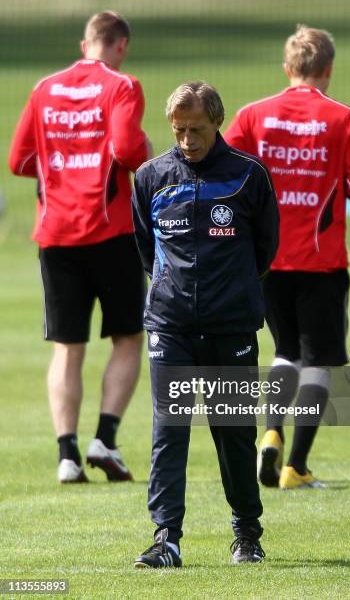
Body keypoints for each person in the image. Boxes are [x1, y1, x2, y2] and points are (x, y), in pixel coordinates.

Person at [131, 81, 279, 567]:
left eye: (197, 129)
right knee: (168, 431)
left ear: (217, 121)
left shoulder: (248, 176)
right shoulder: (151, 176)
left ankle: (247, 534)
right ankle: (166, 538)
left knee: (233, 431)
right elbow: (147, 250)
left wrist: (228, 291)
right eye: (179, 130)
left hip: (230, 328)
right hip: (169, 327)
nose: (188, 140)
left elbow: (265, 249)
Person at [224, 25, 350, 489]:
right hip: (322, 262)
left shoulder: (254, 115)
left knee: (284, 352)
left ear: (287, 68)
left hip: (267, 262)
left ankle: (270, 430)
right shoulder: (343, 118)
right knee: (319, 362)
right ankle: (296, 465)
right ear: (328, 69)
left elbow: (227, 172)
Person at [9, 11, 151, 483]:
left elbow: (19, 159)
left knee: (67, 349)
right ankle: (105, 440)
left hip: (56, 233)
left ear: (83, 43)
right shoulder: (122, 85)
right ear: (121, 45)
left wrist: (62, 169)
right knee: (128, 337)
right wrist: (146, 150)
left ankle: (67, 455)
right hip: (110, 232)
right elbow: (129, 150)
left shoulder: (45, 87)